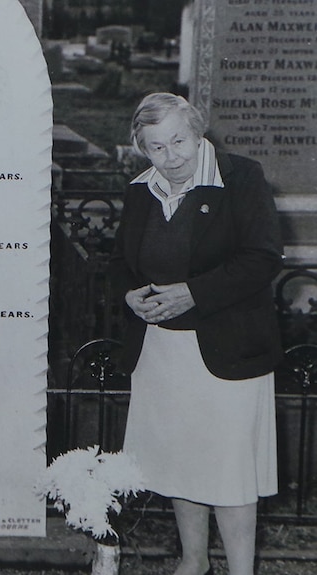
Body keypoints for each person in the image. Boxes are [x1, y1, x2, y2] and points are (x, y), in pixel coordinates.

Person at [110, 92, 283, 575]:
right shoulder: (139, 191)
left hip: (226, 352)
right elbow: (120, 265)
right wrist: (128, 295)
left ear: (198, 130)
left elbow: (262, 257)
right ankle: (193, 562)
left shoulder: (241, 178)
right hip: (162, 354)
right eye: (157, 147)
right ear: (143, 150)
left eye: (179, 140)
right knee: (182, 464)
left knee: (228, 469)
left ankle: (241, 570)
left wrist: (194, 293)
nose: (172, 157)